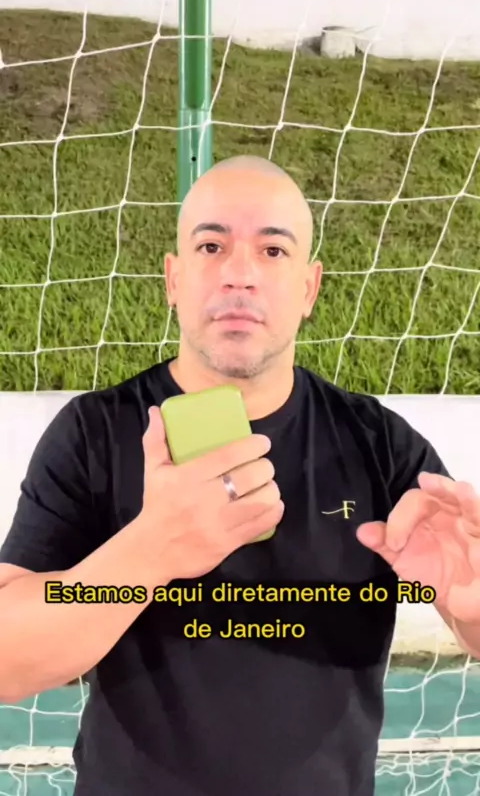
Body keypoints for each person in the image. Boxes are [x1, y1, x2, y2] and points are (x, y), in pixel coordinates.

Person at [0, 155, 479, 796]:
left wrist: (471, 605)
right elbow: (7, 660)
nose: (239, 273)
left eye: (273, 251)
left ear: (309, 289)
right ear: (173, 278)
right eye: (211, 246)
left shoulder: (381, 446)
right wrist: (152, 550)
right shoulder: (93, 433)